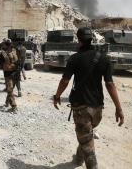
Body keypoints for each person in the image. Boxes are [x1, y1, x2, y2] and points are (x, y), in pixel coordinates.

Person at [53, 27, 124, 169]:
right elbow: (110, 84)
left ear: (78, 40)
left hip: (81, 109)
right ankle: (78, 159)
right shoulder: (103, 58)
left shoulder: (74, 59)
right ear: (91, 39)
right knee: (86, 136)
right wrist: (118, 108)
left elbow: (65, 81)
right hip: (97, 109)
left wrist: (57, 96)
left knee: (87, 142)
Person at [0, 39, 18, 113]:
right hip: (7, 73)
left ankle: (7, 102)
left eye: (10, 45)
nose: (10, 46)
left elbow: (18, 61)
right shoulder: (3, 54)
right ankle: (14, 106)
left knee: (10, 89)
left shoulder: (14, 51)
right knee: (10, 90)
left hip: (15, 73)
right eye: (8, 45)